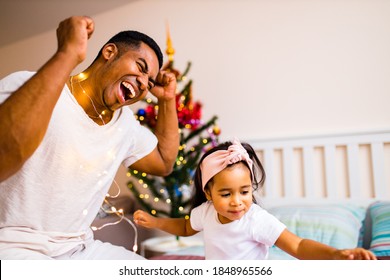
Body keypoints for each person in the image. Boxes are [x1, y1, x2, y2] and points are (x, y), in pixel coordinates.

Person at [0, 16, 179, 260]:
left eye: (149, 82)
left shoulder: (124, 124)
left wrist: (167, 100)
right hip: (12, 245)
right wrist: (68, 52)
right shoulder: (26, 84)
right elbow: (6, 154)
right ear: (109, 52)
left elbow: (164, 162)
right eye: (140, 67)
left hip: (80, 249)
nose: (143, 84)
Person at [134, 139, 377, 260]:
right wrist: (157, 223)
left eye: (245, 191)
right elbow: (186, 227)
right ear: (208, 193)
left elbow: (298, 245)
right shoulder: (206, 211)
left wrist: (336, 254)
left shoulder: (256, 219)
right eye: (226, 194)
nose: (237, 202)